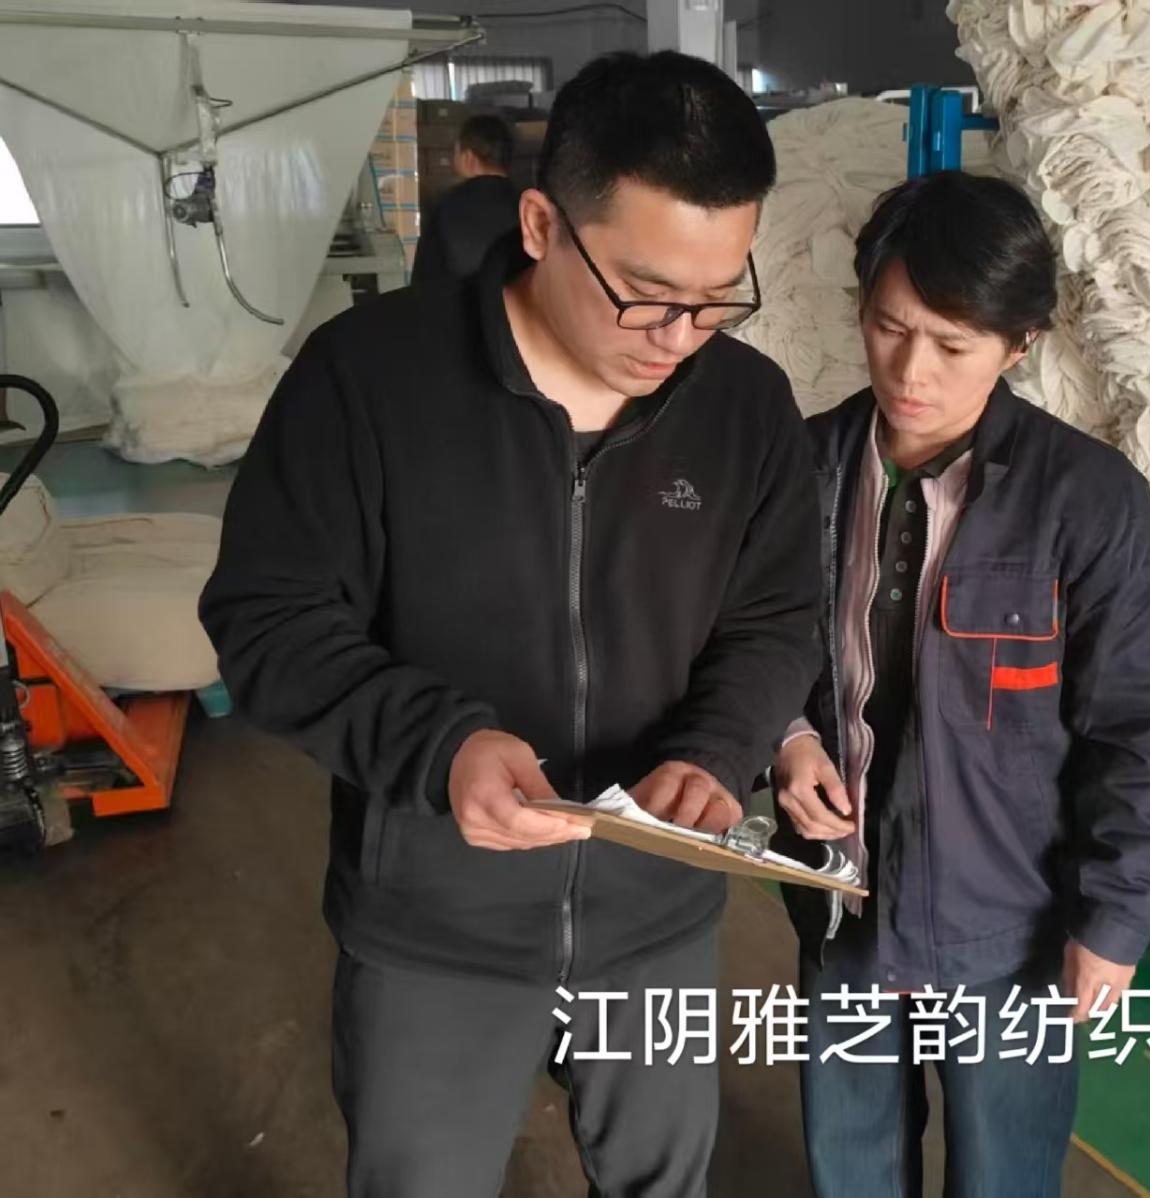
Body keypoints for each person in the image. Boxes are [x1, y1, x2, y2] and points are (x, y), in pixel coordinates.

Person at [200, 51, 821, 1198]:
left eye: (715, 297)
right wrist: (442, 746)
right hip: (436, 926)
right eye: (645, 292)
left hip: (656, 923)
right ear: (540, 224)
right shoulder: (369, 381)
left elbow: (777, 613)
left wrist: (718, 747)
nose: (678, 335)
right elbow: (268, 617)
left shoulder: (744, 407)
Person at [770, 171, 1150, 1197]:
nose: (910, 370)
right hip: (841, 904)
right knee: (850, 1165)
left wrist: (1113, 919)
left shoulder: (1086, 502)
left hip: (1009, 930)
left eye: (952, 345)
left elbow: (1140, 729)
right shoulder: (801, 469)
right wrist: (785, 739)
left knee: (1003, 1173)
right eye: (888, 327)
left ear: (1019, 344)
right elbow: (751, 642)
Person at [409, 112, 520, 286]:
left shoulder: (445, 208)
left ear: (468, 158)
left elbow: (424, 280)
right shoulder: (527, 206)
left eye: (456, 151)